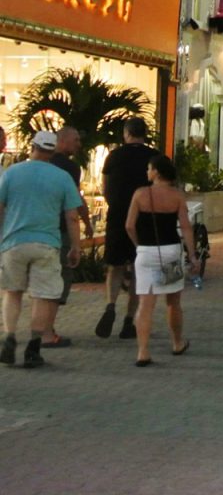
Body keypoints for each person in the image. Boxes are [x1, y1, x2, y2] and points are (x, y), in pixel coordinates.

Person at [0, 132, 82, 368]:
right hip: (47, 244)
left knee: (12, 292)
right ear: (52, 150)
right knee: (43, 295)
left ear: (32, 146)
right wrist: (75, 246)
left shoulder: (11, 173)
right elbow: (72, 216)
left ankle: (10, 337)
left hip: (14, 242)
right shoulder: (62, 177)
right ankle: (34, 346)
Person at [124, 155, 200, 366]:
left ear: (156, 172)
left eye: (149, 168)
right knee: (173, 302)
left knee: (145, 304)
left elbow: (129, 225)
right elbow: (186, 227)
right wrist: (192, 255)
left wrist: (139, 245)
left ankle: (143, 351)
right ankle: (177, 342)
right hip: (170, 252)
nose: (147, 172)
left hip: (146, 252)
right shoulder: (177, 196)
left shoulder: (140, 194)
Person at [97, 116, 158, 340]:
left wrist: (115, 203)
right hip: (145, 219)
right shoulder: (154, 157)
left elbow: (105, 188)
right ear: (144, 134)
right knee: (138, 269)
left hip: (117, 216)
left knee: (115, 266)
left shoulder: (114, 156)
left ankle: (110, 305)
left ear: (127, 133)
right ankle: (129, 321)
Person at [44, 126, 95, 347]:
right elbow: (74, 201)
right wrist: (86, 224)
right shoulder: (69, 168)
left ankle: (37, 327)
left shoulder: (39, 164)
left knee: (42, 279)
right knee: (60, 277)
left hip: (39, 230)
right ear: (62, 141)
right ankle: (48, 328)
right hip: (60, 230)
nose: (79, 145)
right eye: (75, 140)